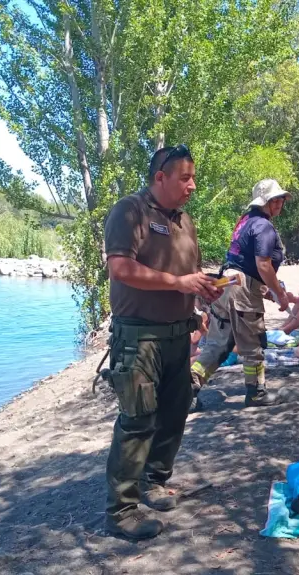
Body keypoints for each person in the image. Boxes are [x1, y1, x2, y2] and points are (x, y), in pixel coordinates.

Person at [101, 144, 223, 540]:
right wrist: (178, 282)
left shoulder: (185, 221)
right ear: (160, 177)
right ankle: (121, 510)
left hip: (178, 335)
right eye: (185, 177)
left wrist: (203, 292)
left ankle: (153, 481)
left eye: (193, 177)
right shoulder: (130, 211)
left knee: (174, 413)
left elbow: (187, 275)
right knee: (137, 420)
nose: (192, 185)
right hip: (139, 338)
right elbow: (120, 268)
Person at [190, 179, 294, 408]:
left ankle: (188, 389)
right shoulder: (264, 226)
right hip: (242, 291)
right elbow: (263, 265)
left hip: (226, 284)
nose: (280, 204)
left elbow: (244, 262)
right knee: (252, 342)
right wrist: (280, 293)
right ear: (265, 201)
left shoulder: (246, 221)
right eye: (276, 200)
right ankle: (257, 392)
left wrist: (265, 288)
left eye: (281, 200)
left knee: (217, 344)